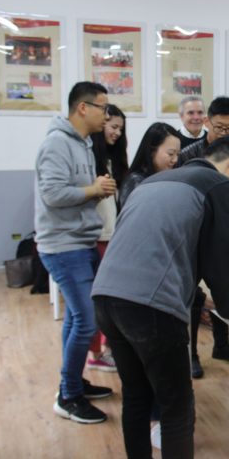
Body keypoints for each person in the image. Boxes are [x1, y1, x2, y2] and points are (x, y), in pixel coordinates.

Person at [92, 137, 229, 459]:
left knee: (137, 395)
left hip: (106, 296)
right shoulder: (220, 185)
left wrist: (197, 296)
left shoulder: (154, 181)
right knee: (177, 409)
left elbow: (161, 248)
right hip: (150, 308)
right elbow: (223, 260)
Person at [35, 81, 115, 424]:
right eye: (103, 108)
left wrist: (97, 191)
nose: (106, 115)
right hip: (62, 245)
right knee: (87, 321)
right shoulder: (57, 143)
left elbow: (75, 191)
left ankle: (73, 382)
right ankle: (68, 396)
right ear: (83, 107)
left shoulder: (84, 143)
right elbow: (53, 194)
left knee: (76, 319)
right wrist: (92, 190)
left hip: (80, 240)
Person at [177, 96, 229, 374]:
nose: (224, 133)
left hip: (227, 228)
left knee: (224, 282)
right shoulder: (190, 154)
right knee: (194, 294)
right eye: (220, 127)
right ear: (208, 121)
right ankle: (191, 353)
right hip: (196, 234)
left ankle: (222, 345)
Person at [87, 103, 129, 373]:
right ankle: (95, 353)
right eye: (113, 127)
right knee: (98, 301)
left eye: (121, 129)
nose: (117, 133)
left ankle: (109, 348)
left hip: (114, 235)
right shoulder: (90, 160)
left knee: (113, 300)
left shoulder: (116, 161)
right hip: (98, 237)